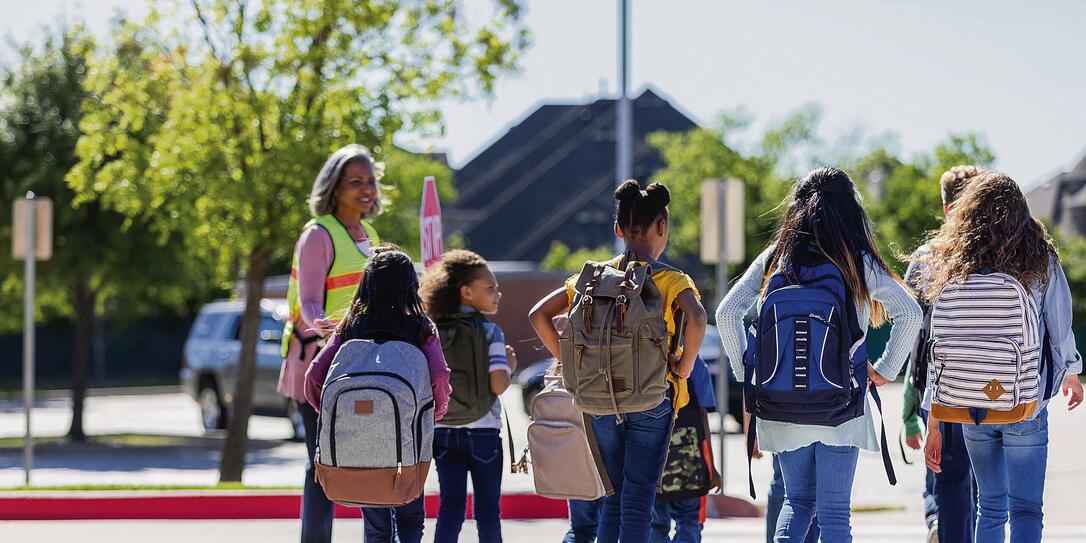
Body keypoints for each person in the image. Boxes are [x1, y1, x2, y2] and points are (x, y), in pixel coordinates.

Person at [716, 166, 922, 542]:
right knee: (834, 513)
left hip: (782, 402)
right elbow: (911, 313)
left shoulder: (776, 258)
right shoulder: (855, 259)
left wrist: (750, 373)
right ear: (850, 211)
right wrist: (887, 369)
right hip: (841, 403)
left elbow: (727, 313)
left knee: (797, 502)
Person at [530, 179, 708, 543]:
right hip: (652, 397)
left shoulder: (591, 277)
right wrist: (685, 365)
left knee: (613, 493)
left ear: (618, 229)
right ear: (663, 227)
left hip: (598, 399)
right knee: (638, 496)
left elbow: (538, 315)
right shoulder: (672, 279)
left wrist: (570, 362)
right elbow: (699, 317)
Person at [920, 172, 1083, 543]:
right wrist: (1071, 374)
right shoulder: (1039, 257)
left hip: (969, 405)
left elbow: (939, 348)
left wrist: (934, 418)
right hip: (1023, 401)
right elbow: (1059, 327)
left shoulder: (953, 266)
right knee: (1025, 508)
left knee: (990, 507)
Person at [303, 246, 452, 543]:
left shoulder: (349, 327)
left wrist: (335, 414)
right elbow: (439, 377)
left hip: (359, 441)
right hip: (409, 439)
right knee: (410, 518)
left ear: (365, 285)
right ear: (411, 286)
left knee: (376, 524)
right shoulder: (421, 329)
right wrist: (432, 414)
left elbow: (313, 379)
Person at [276, 144, 384, 543]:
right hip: (316, 366)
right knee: (320, 464)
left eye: (370, 181)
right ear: (335, 188)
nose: (366, 189)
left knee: (371, 459)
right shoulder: (317, 234)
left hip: (362, 363)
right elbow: (307, 302)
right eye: (355, 182)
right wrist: (328, 328)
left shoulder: (369, 234)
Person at [900, 165, 985, 543]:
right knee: (983, 481)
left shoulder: (925, 256)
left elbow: (909, 324)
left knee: (944, 476)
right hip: (993, 381)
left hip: (938, 383)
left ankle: (941, 526)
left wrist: (909, 402)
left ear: (946, 205)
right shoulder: (1000, 252)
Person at [420, 250, 518, 543]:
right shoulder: (490, 332)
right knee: (488, 513)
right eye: (490, 288)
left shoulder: (432, 331)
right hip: (483, 432)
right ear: (466, 292)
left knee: (450, 509)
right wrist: (510, 366)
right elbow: (499, 384)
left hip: (443, 431)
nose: (497, 294)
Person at [651, 355, 720, 543]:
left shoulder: (643, 354)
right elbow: (703, 417)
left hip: (651, 457)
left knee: (655, 524)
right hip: (689, 459)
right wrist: (711, 467)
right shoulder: (695, 363)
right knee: (689, 518)